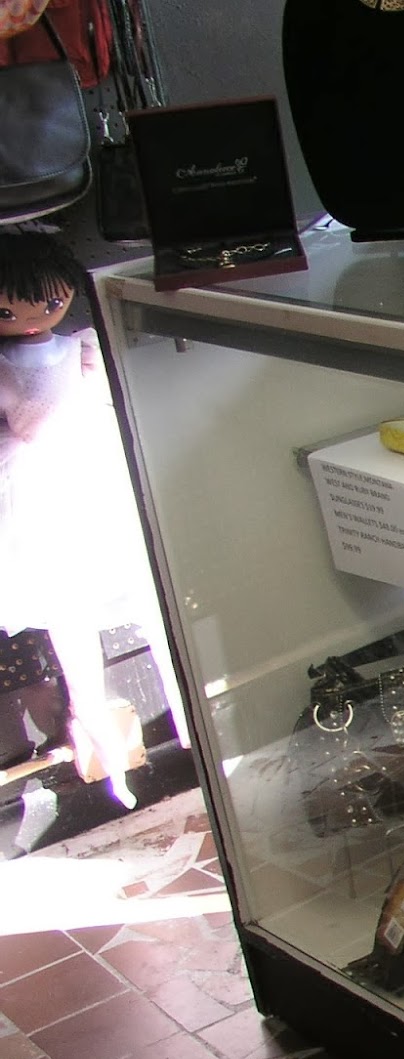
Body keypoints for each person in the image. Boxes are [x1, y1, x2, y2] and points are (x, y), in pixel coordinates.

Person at [0, 226, 181, 809]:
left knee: (156, 604)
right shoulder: (20, 362)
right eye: (9, 311)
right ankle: (103, 745)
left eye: (49, 302)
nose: (33, 319)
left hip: (90, 483)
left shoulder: (79, 345)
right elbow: (30, 426)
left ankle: (190, 720)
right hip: (37, 500)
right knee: (72, 626)